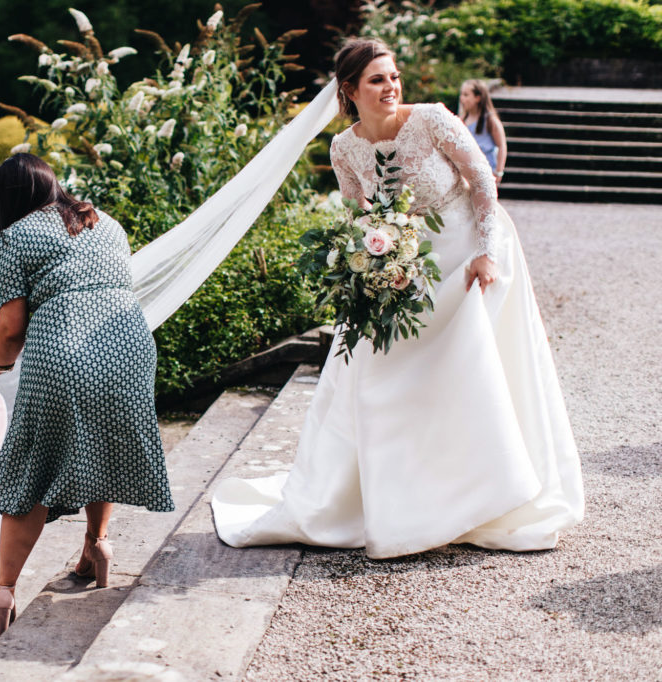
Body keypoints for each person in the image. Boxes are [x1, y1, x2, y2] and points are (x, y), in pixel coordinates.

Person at [211, 38, 583, 559]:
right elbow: (358, 216)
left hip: (471, 251)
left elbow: (480, 178)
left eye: (394, 76)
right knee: (382, 373)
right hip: (404, 268)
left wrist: (484, 251)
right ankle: (404, 500)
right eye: (377, 80)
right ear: (350, 90)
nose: (391, 88)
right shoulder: (345, 148)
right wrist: (369, 267)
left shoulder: (431, 118)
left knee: (469, 369)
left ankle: (486, 494)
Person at [0, 153, 174, 636]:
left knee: (32, 463)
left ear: (5, 200)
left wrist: (0, 365)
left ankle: (5, 591)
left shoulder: (13, 237)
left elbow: (11, 328)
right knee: (102, 445)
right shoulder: (105, 222)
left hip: (64, 350)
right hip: (129, 344)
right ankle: (98, 546)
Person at [459, 79, 508, 184]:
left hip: (486, 170)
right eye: (462, 94)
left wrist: (499, 171)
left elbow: (502, 145)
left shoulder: (490, 121)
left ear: (477, 98)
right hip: (467, 172)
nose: (462, 98)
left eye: (466, 95)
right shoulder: (462, 119)